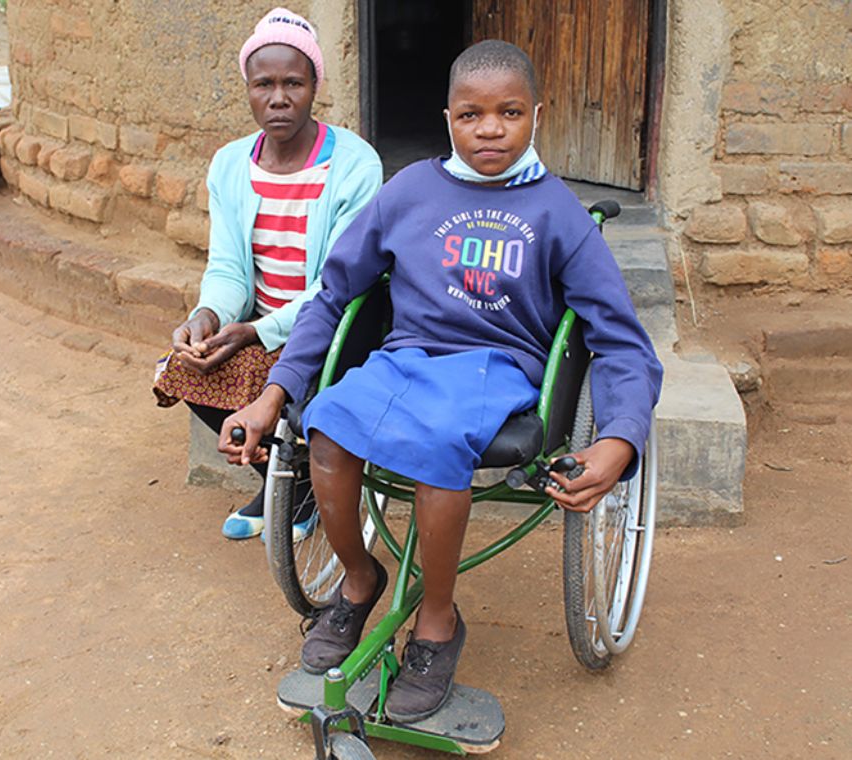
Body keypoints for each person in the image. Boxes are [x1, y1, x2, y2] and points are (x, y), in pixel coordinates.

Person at [219, 40, 663, 722]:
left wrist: (620, 439)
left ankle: (436, 620)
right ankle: (361, 579)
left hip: (496, 368)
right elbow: (334, 296)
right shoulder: (410, 192)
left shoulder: (558, 214)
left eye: (508, 113)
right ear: (448, 118)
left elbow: (620, 341)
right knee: (329, 427)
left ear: (536, 115)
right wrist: (276, 391)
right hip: (405, 357)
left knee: (435, 447)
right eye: (471, 115)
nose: (489, 129)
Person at [153, 7, 383, 540]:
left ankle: (297, 476)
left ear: (314, 87)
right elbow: (229, 267)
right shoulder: (231, 165)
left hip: (332, 332)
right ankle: (288, 479)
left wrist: (256, 332)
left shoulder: (354, 165)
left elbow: (339, 287)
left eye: (293, 83)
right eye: (264, 84)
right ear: (248, 89)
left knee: (282, 370)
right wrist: (209, 317)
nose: (278, 98)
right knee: (183, 367)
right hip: (256, 325)